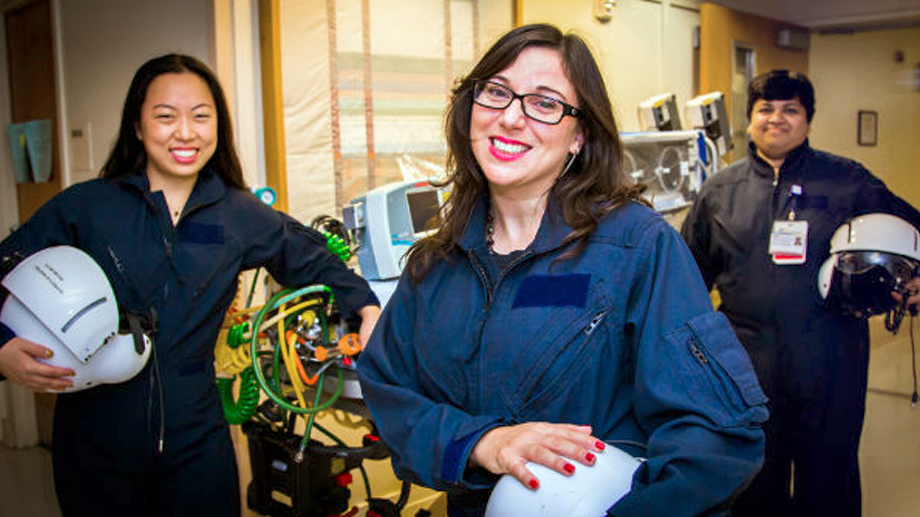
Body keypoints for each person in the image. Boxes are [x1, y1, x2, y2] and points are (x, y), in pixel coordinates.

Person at [357, 24, 768, 517]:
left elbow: (716, 437)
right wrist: (482, 443)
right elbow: (388, 390)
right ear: (471, 109)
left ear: (579, 135)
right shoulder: (436, 265)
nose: (511, 117)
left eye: (545, 103)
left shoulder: (636, 248)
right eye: (496, 92)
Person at [0, 54, 381, 516]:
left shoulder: (239, 214)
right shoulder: (88, 207)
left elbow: (313, 259)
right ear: (138, 127)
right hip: (95, 439)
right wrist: (2, 351)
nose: (185, 132)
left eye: (201, 116)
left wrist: (366, 306)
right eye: (165, 116)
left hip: (197, 438)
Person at [680, 70, 920, 517]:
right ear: (749, 120)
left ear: (808, 119)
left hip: (831, 357)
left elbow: (913, 230)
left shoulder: (848, 181)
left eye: (790, 109)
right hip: (746, 366)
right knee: (753, 478)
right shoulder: (718, 191)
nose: (777, 119)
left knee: (829, 478)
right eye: (765, 109)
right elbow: (688, 278)